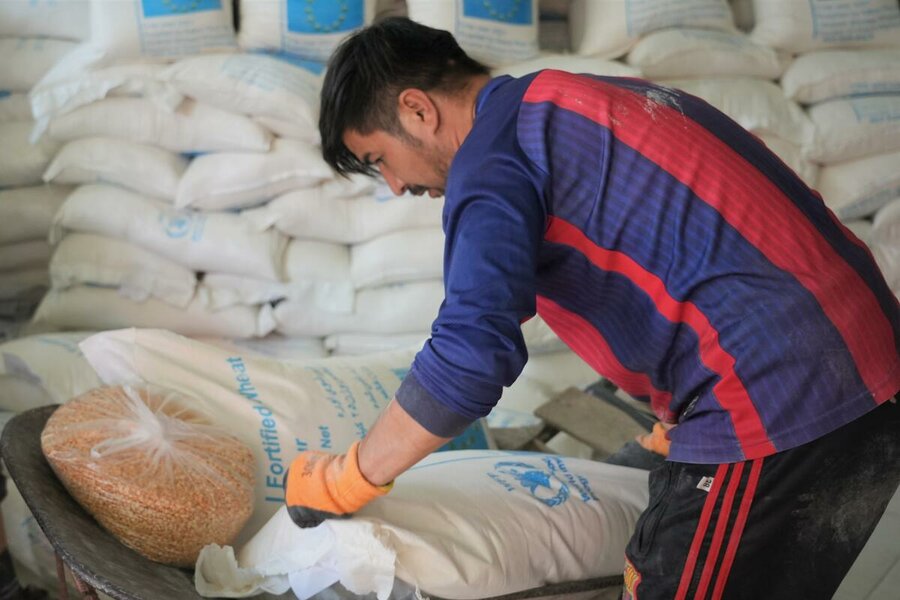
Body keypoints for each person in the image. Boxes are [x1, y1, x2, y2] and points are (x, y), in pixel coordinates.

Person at [282, 17, 900, 600]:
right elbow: (687, 244)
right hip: (863, 349)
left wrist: (349, 476)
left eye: (379, 161)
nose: (394, 187)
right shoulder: (576, 95)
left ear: (416, 109)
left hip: (780, 391)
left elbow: (470, 355)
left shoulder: (491, 162)